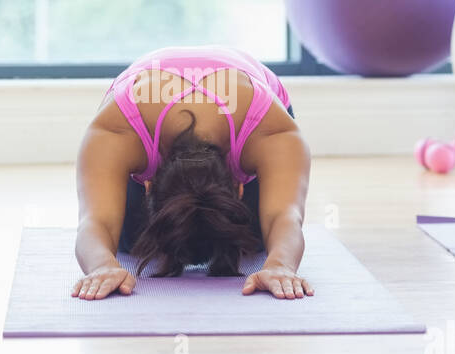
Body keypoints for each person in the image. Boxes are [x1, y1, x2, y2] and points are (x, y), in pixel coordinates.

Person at [73, 45, 311, 300]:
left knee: (260, 242)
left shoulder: (270, 128)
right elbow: (96, 222)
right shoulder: (118, 126)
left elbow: (284, 215)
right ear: (148, 185)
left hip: (250, 110)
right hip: (146, 111)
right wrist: (101, 266)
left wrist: (280, 264)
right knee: (128, 242)